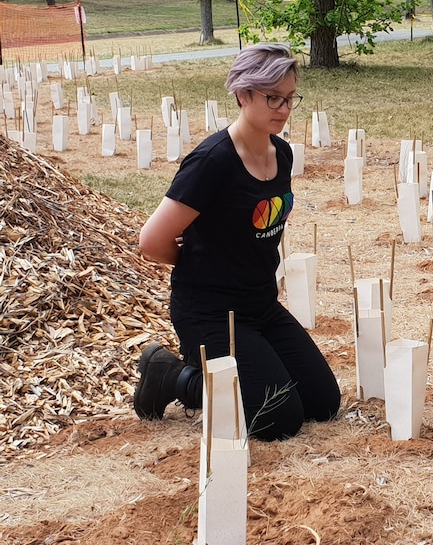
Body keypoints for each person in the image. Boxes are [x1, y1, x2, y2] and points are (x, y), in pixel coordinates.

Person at [134, 43, 342, 441]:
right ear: (243, 94)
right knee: (278, 420)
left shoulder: (281, 154)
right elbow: (152, 240)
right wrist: (198, 262)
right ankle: (172, 375)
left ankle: (248, 372)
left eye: (290, 98)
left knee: (323, 403)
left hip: (260, 305)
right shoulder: (213, 161)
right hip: (210, 312)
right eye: (272, 98)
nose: (283, 109)